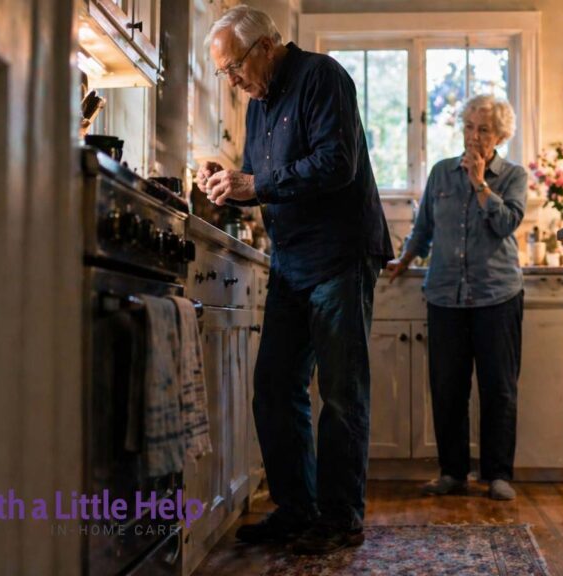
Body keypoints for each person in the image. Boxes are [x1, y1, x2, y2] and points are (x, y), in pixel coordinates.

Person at [195, 5, 393, 555]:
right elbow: (265, 176)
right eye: (223, 74)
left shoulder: (321, 76)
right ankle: (297, 508)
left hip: (340, 255)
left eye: (233, 67)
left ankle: (340, 517)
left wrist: (254, 183)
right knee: (275, 390)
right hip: (291, 261)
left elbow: (337, 163)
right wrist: (229, 177)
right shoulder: (258, 105)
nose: (231, 82)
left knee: (340, 393)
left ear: (265, 47)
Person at [386, 95, 526, 501]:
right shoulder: (440, 174)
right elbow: (423, 227)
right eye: (468, 126)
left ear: (500, 135)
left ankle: (497, 474)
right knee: (447, 388)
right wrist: (405, 259)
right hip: (445, 295)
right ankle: (453, 473)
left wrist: (481, 183)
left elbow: (506, 224)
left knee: (498, 388)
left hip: (497, 294)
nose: (473, 135)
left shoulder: (512, 176)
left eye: (483, 129)